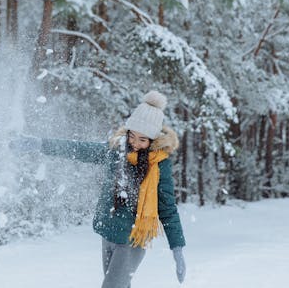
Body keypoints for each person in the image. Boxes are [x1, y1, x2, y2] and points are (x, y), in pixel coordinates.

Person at [10, 91, 186, 287]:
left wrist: (177, 248)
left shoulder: (159, 165)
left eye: (142, 139)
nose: (135, 143)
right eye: (132, 136)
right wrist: (40, 144)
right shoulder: (115, 151)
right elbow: (79, 150)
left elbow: (168, 208)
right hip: (109, 233)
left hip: (132, 240)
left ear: (153, 140)